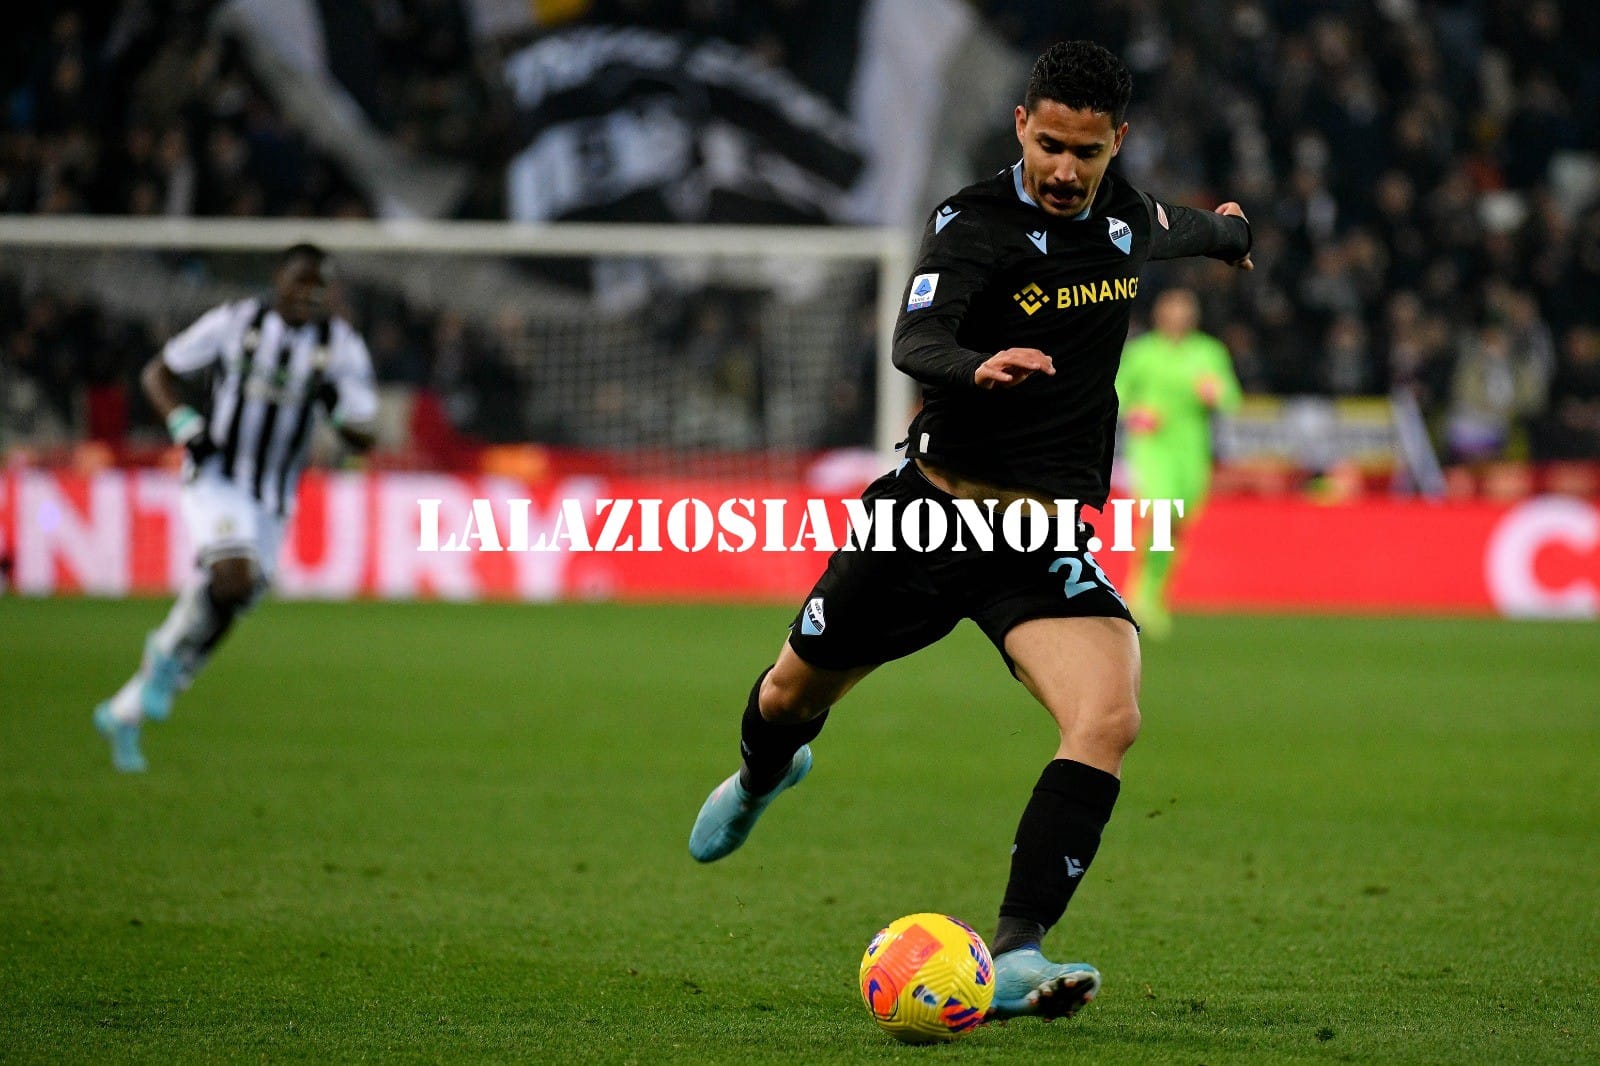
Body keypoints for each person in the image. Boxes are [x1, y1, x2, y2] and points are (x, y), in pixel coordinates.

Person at [688, 40, 1253, 1023]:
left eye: (1086, 152)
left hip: (1037, 542)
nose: (1064, 170)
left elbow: (1181, 228)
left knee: (1108, 718)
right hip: (928, 517)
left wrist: (1231, 235)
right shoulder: (971, 223)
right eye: (1048, 146)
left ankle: (1019, 951)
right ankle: (760, 775)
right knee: (787, 694)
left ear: (1116, 142)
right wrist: (973, 367)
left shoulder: (1124, 215)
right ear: (1020, 126)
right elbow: (914, 336)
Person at [94, 243, 378, 772]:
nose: (309, 294)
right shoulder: (234, 322)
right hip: (218, 475)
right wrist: (184, 424)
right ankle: (162, 663)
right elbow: (158, 374)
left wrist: (337, 409)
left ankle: (126, 709)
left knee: (232, 599)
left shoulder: (340, 345)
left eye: (319, 286)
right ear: (279, 278)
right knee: (232, 576)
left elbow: (366, 433)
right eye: (301, 281)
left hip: (274, 496)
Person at [1115, 287, 1242, 636]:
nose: (1177, 319)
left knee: (1175, 525)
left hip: (1192, 450)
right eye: (1172, 312)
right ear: (1160, 315)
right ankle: (1140, 593)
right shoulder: (1142, 352)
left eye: (1184, 313)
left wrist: (1216, 393)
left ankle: (1156, 592)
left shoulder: (1208, 352)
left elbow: (1231, 397)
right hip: (1152, 447)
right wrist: (1135, 413)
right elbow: (1117, 392)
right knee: (1161, 512)